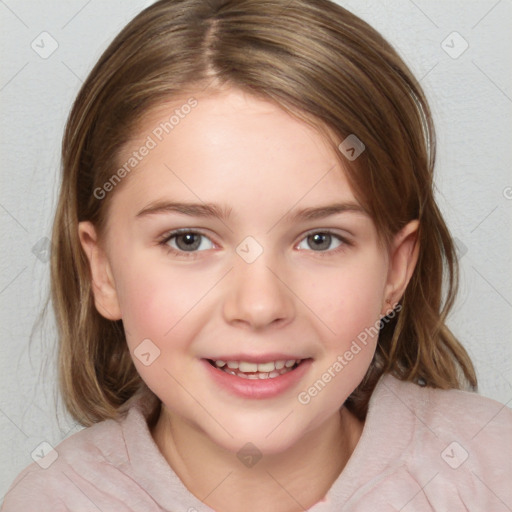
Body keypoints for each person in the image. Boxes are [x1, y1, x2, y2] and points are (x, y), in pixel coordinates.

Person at [2, 0, 511, 510]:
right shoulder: (49, 501)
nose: (259, 305)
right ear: (103, 270)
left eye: (320, 239)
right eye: (188, 239)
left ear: (396, 269)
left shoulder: (492, 469)